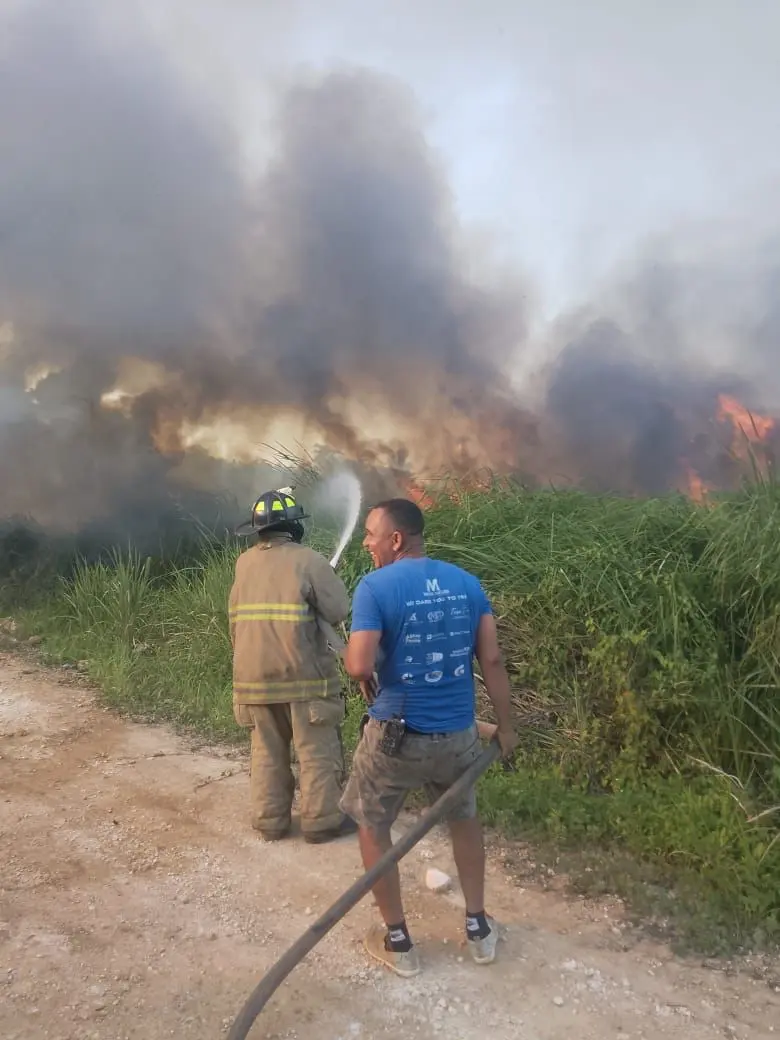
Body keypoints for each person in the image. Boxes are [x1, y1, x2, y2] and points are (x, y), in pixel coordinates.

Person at [340, 497, 518, 978]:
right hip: (458, 736)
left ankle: (399, 942)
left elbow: (358, 664)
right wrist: (506, 727)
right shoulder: (467, 583)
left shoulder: (375, 586)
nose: (365, 542)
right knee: (463, 819)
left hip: (395, 738)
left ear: (395, 540)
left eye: (371, 534)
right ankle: (479, 929)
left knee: (373, 822)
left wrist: (359, 665)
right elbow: (493, 661)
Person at [229, 487, 357, 844]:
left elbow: (234, 622)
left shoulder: (244, 564)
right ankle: (321, 822)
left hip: (252, 680)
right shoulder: (310, 561)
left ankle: (270, 821)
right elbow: (338, 611)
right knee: (316, 750)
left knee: (267, 752)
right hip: (304, 681)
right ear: (293, 526)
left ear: (257, 530)